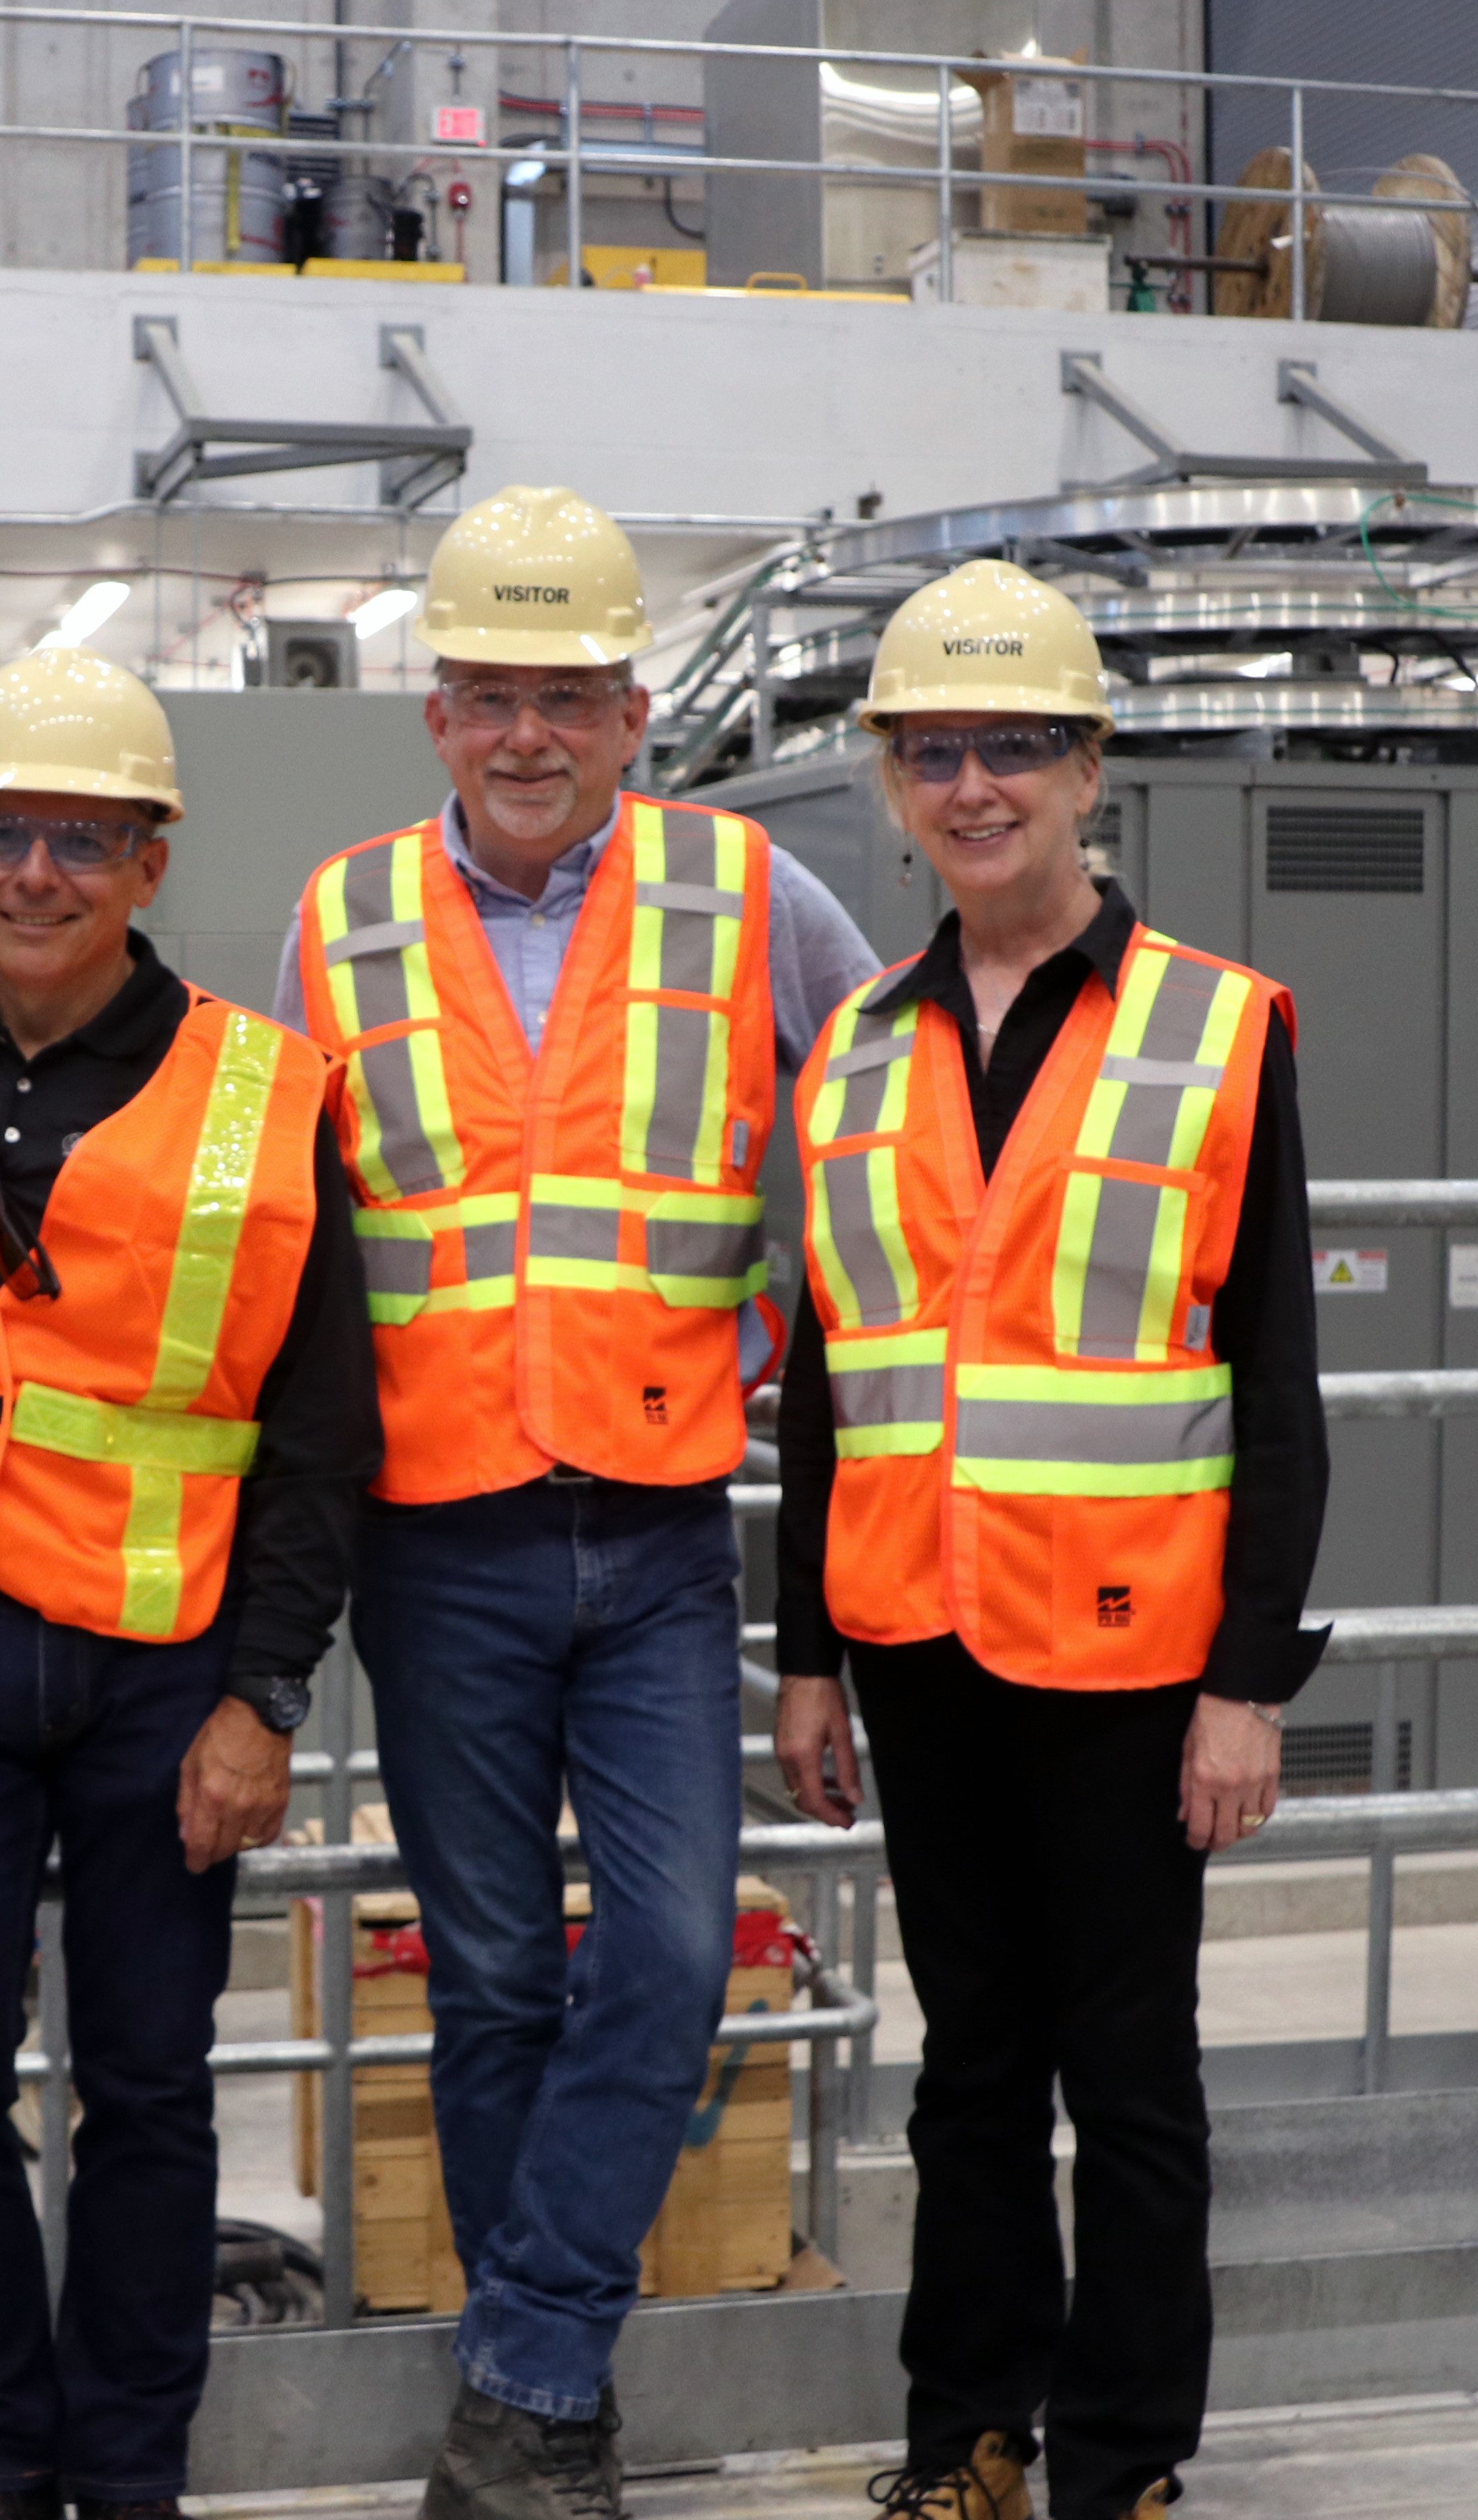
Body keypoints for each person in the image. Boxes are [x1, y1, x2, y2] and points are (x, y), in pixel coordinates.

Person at [271, 485, 881, 2519]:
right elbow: (295, 1227)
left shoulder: (747, 889)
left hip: (647, 1536)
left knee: (667, 1959)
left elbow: (880, 1122)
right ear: (432, 714)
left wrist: (797, 1287)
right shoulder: (339, 915)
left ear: (632, 711)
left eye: (564, 695)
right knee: (485, 1980)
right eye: (485, 696)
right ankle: (539, 2433)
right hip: (431, 1542)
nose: (525, 732)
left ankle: (518, 2367)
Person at [770, 561, 1330, 2520]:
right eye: (937, 752)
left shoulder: (1217, 1027)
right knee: (967, 2073)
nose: (976, 784)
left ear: (1091, 768)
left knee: (1134, 2083)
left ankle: (1117, 2462)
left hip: (1129, 1661)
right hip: (917, 1640)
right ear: (894, 783)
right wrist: (807, 1654)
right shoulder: (853, 1048)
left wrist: (1249, 1683)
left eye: (1015, 747)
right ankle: (964, 2442)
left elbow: (1275, 1384)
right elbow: (830, 1377)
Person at [0, 649, 375, 2520]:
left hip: (163, 1668)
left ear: (147, 861)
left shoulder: (270, 1091)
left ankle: (128, 2470)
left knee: (149, 2089)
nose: (31, 871)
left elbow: (320, 1431)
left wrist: (260, 1702)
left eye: (79, 837)